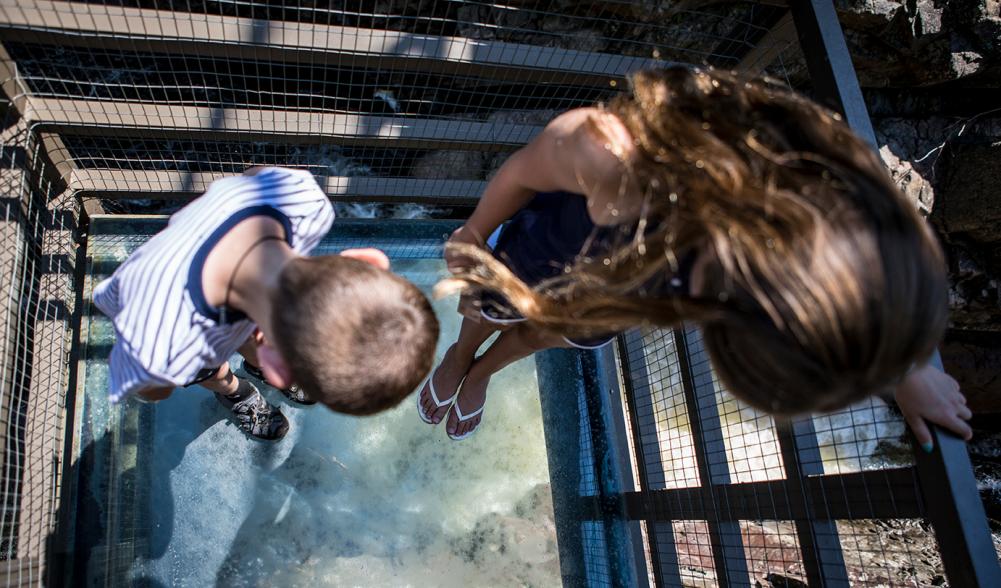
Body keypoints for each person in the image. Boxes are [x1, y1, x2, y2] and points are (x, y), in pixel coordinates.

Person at [419, 66, 971, 449]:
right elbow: (523, 170)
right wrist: (474, 229)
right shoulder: (620, 159)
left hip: (616, 299)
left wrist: (895, 363)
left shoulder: (835, 202)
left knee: (546, 334)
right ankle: (462, 354)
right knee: (491, 308)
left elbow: (853, 272)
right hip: (551, 251)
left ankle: (483, 371)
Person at [94, 166, 438, 441]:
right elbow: (153, 389)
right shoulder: (165, 347)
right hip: (166, 312)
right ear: (278, 369)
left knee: (242, 325)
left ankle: (251, 356)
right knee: (209, 369)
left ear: (367, 259)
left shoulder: (305, 202)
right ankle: (234, 390)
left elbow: (253, 176)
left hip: (203, 282)